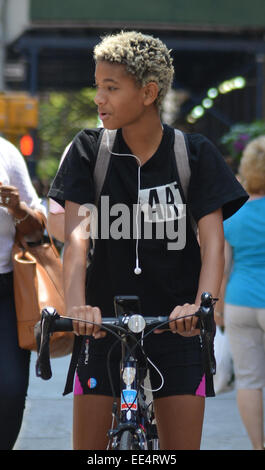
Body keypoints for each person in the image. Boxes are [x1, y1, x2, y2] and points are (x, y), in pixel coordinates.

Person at [48, 30, 248, 450]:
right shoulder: (88, 151)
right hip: (102, 327)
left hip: (177, 327)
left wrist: (200, 306)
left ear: (148, 92)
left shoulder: (194, 154)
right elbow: (78, 242)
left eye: (111, 87)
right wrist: (78, 309)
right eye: (97, 86)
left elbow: (212, 242)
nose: (99, 98)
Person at [0, 136, 46, 450]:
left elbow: (39, 228)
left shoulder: (6, 153)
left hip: (6, 290)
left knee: (12, 390)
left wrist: (16, 208)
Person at [222, 136, 265, 450]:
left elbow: (222, 268)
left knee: (249, 381)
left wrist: (219, 312)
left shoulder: (232, 214)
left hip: (239, 303)